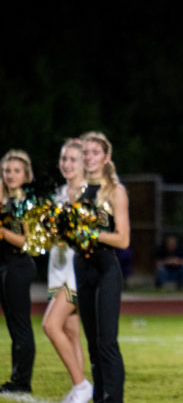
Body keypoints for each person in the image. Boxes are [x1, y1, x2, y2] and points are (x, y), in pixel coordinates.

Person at [74, 131, 130, 403]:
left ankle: (113, 399)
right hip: (82, 268)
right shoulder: (79, 191)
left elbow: (123, 239)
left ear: (106, 157)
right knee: (93, 345)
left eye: (95, 152)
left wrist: (90, 234)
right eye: (85, 153)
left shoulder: (115, 191)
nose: (89, 157)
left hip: (106, 268)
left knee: (107, 342)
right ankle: (98, 398)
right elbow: (76, 236)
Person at [42, 138, 93, 403]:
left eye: (73, 159)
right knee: (71, 332)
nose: (67, 164)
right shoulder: (61, 192)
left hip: (76, 271)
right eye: (64, 159)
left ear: (84, 163)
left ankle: (82, 385)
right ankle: (80, 390)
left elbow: (87, 236)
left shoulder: (88, 192)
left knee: (50, 325)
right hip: (58, 269)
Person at [0, 150, 37, 394]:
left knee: (20, 326)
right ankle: (17, 379)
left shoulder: (26, 202)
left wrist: (2, 232)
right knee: (13, 326)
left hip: (19, 267)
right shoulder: (6, 202)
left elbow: (29, 242)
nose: (10, 175)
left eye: (15, 171)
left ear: (26, 175)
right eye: (6, 170)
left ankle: (22, 382)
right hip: (5, 266)